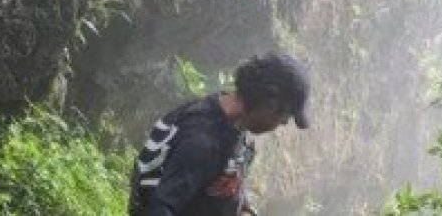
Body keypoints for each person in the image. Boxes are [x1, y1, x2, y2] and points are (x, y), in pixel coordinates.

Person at [129, 52, 311, 215]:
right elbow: (160, 207)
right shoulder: (202, 141)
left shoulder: (236, 129)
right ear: (271, 104)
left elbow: (225, 188)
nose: (283, 123)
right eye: (285, 117)